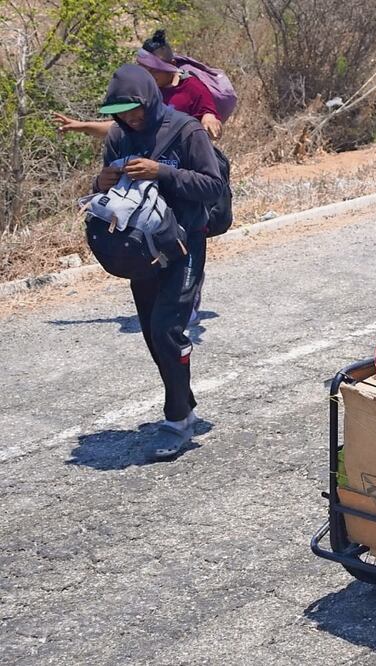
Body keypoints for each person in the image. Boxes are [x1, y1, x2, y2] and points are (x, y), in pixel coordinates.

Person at [94, 64, 224, 459]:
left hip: (185, 244)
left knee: (168, 328)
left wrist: (162, 171)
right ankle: (182, 400)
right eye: (121, 111)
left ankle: (176, 420)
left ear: (150, 100)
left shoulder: (186, 130)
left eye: (135, 109)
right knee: (153, 332)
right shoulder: (118, 137)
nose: (130, 118)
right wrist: (100, 183)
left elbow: (213, 185)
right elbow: (108, 194)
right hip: (141, 251)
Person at [53, 30, 222, 141]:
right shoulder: (143, 91)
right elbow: (121, 128)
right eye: (144, 70)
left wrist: (208, 119)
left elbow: (209, 116)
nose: (148, 76)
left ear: (171, 65)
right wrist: (81, 126)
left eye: (154, 71)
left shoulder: (192, 87)